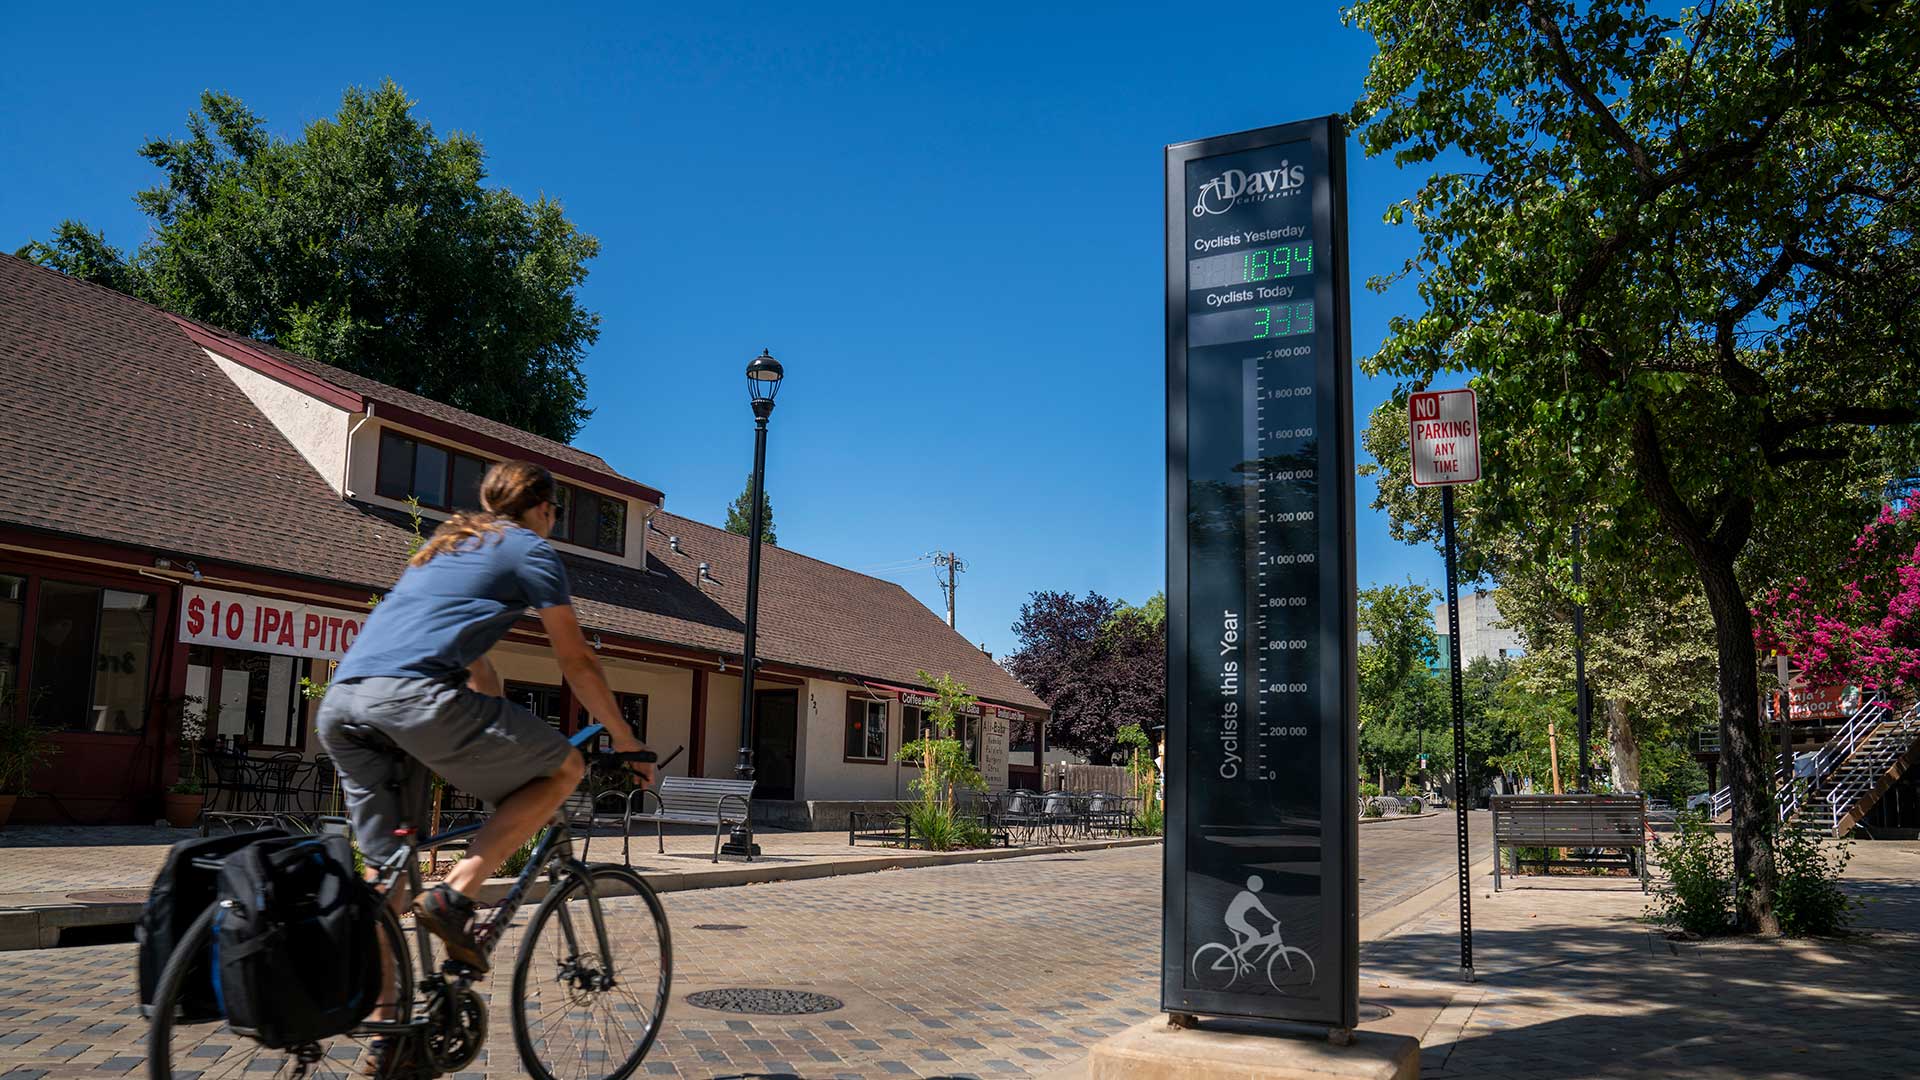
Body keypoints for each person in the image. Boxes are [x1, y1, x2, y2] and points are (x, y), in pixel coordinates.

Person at [317, 460, 652, 976]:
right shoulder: (529, 548)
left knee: (393, 884)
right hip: (412, 701)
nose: (553, 520)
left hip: (343, 704)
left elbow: (478, 670)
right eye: (555, 511)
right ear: (543, 509)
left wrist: (490, 714)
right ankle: (456, 895)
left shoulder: (443, 549)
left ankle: (388, 1041)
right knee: (564, 769)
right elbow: (577, 661)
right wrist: (627, 740)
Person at [1223, 874, 1279, 969]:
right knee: (1255, 934)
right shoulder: (1252, 898)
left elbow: (1263, 911)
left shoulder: (1242, 893)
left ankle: (1242, 955)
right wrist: (1276, 920)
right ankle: (1241, 954)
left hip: (1232, 918)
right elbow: (1264, 911)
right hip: (1233, 919)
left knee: (1254, 934)